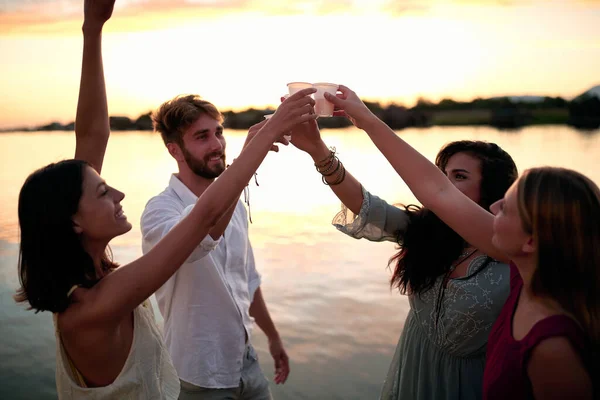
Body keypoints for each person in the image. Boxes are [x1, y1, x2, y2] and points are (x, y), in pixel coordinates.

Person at [13, 1, 317, 398]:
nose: (119, 192)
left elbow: (91, 136)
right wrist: (265, 135)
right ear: (74, 222)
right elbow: (204, 220)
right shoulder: (97, 304)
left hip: (242, 363)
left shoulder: (95, 280)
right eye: (103, 191)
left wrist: (93, 28)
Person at [318, 85, 597, 399]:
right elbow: (434, 193)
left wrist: (368, 119)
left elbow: (437, 192)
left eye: (507, 206)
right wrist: (338, 135)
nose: (494, 209)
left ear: (531, 241)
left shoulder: (553, 342)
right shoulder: (524, 270)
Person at [290, 107, 518, 398]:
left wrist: (368, 120)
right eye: (442, 174)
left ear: (492, 190)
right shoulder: (424, 232)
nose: (443, 183)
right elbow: (366, 206)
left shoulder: (513, 254)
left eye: (458, 176)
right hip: (412, 375)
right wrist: (318, 151)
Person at [140, 94, 293, 398]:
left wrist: (273, 337)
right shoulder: (159, 212)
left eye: (218, 132)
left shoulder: (234, 204)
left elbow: (246, 279)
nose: (217, 145)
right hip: (197, 375)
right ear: (175, 150)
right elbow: (201, 236)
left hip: (244, 360)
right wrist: (250, 158)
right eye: (202, 136)